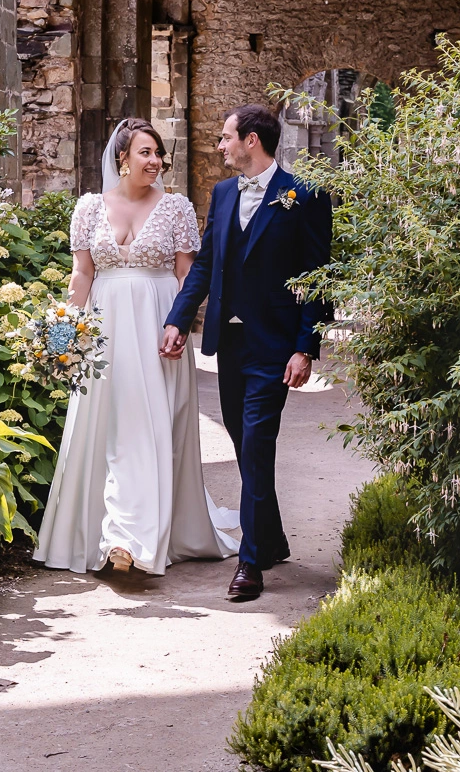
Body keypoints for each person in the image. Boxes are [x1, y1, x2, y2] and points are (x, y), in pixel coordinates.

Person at [32, 118, 239, 575]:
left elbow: (188, 275)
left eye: (158, 153)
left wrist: (181, 325)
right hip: (105, 329)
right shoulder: (89, 208)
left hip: (157, 327)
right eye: (146, 152)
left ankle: (130, 541)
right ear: (122, 157)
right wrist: (67, 329)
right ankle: (105, 536)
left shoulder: (176, 208)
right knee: (109, 427)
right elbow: (82, 275)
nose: (156, 161)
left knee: (149, 429)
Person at [162, 104, 333, 602]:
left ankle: (252, 562)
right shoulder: (221, 194)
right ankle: (273, 537)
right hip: (228, 344)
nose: (220, 146)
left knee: (257, 443)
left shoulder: (305, 196)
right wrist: (178, 318)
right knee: (244, 446)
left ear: (251, 140)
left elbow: (317, 280)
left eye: (226, 138)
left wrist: (305, 348)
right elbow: (206, 264)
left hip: (274, 346)